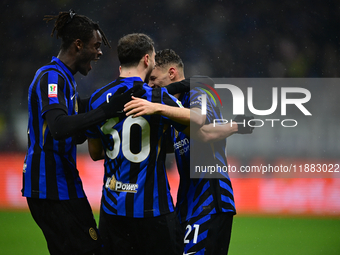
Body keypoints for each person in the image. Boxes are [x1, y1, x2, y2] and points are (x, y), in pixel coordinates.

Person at [22, 10, 143, 255]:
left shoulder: (66, 80)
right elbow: (59, 127)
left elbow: (76, 130)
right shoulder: (51, 77)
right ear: (78, 45)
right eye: (96, 46)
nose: (99, 52)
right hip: (50, 186)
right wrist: (107, 110)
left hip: (62, 183)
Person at [124, 49, 254, 255]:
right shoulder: (175, 106)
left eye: (154, 78)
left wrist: (236, 125)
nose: (150, 85)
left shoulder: (198, 92)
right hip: (186, 203)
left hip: (210, 199)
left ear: (172, 73)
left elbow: (202, 126)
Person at [86, 33, 186, 255]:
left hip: (113, 211)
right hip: (154, 211)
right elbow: (197, 124)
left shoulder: (97, 98)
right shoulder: (158, 97)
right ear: (147, 60)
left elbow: (94, 152)